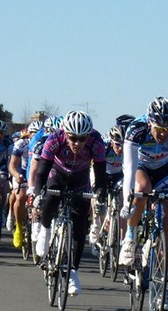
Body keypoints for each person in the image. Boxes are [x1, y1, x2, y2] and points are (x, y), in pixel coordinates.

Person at [117, 97, 168, 311]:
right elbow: (129, 168)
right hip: (140, 168)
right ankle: (130, 237)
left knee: (167, 216)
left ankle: (162, 282)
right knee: (143, 189)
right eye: (159, 129)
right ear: (149, 123)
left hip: (165, 171)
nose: (163, 134)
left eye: (167, 129)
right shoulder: (136, 129)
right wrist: (128, 200)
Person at [33, 111, 106, 297]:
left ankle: (73, 271)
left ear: (88, 136)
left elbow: (100, 175)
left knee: (80, 225)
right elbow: (41, 172)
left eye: (82, 139)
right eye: (73, 138)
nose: (77, 143)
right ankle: (45, 232)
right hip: (57, 173)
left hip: (80, 178)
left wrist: (99, 195)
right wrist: (38, 194)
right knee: (50, 198)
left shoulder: (96, 143)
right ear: (65, 133)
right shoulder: (54, 139)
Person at [88, 115, 134, 250]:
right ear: (112, 141)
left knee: (122, 202)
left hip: (119, 175)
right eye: (118, 145)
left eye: (123, 145)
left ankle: (122, 240)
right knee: (97, 196)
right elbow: (94, 165)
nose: (120, 149)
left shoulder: (130, 148)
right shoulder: (104, 144)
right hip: (102, 172)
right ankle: (96, 224)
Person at [8, 120, 42, 248]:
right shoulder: (21, 144)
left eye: (39, 133)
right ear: (29, 134)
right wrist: (17, 175)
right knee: (21, 196)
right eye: (34, 133)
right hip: (21, 173)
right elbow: (12, 165)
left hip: (37, 175)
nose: (37, 136)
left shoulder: (44, 144)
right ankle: (19, 227)